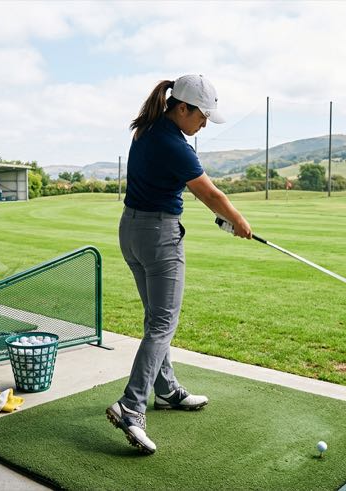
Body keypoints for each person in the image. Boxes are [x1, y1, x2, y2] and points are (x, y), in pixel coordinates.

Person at [105, 75, 252, 454]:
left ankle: (166, 390)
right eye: (202, 115)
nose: (204, 123)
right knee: (163, 323)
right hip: (158, 236)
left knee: (155, 317)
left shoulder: (146, 129)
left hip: (131, 231)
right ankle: (131, 406)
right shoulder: (174, 144)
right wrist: (238, 220)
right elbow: (208, 192)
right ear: (182, 108)